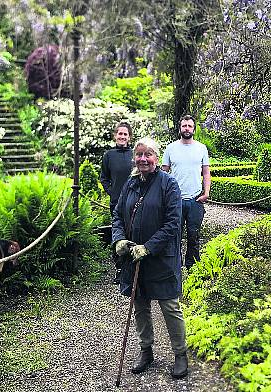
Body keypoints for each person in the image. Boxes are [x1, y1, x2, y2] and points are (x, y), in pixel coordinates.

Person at [111, 137, 188, 379]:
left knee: (170, 306)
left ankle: (180, 354)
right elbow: (117, 214)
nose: (143, 159)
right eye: (140, 154)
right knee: (140, 305)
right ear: (135, 158)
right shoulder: (131, 183)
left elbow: (173, 224)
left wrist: (149, 247)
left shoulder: (169, 184)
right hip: (134, 258)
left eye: (148, 155)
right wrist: (120, 239)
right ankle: (146, 351)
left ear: (157, 158)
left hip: (161, 258)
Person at [161, 114, 211, 270]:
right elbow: (163, 173)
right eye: (184, 126)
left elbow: (206, 172)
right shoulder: (171, 148)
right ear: (180, 128)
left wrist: (206, 192)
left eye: (189, 126)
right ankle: (174, 265)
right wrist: (164, 196)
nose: (187, 128)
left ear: (194, 129)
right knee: (174, 235)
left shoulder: (201, 148)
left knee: (193, 235)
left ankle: (192, 266)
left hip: (195, 200)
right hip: (176, 200)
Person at [100, 121, 134, 283]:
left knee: (134, 232)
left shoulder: (135, 155)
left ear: (129, 137)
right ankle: (120, 269)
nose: (122, 136)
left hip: (135, 202)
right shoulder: (109, 155)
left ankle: (134, 269)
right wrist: (112, 192)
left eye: (125, 134)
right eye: (119, 133)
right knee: (118, 233)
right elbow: (104, 178)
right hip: (116, 203)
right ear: (115, 135)